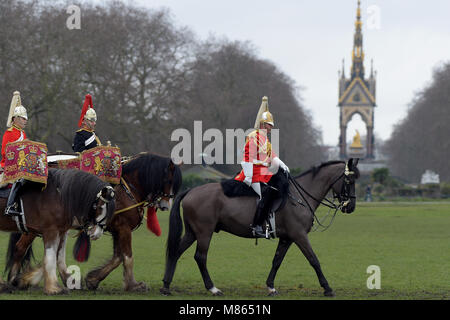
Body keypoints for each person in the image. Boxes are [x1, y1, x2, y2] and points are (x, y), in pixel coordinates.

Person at [234, 96, 289, 238]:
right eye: (270, 125)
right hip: (254, 173)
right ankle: (257, 225)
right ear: (264, 124)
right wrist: (248, 175)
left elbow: (272, 155)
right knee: (265, 195)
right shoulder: (254, 137)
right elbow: (247, 157)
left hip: (264, 172)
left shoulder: (265, 139)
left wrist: (282, 164)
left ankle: (270, 224)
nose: (271, 128)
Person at [2, 91, 29, 216]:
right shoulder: (10, 133)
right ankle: (10, 206)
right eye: (23, 118)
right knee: (19, 180)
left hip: (21, 165)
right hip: (9, 165)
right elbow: (5, 152)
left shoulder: (22, 134)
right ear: (15, 118)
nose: (25, 121)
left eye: (26, 119)